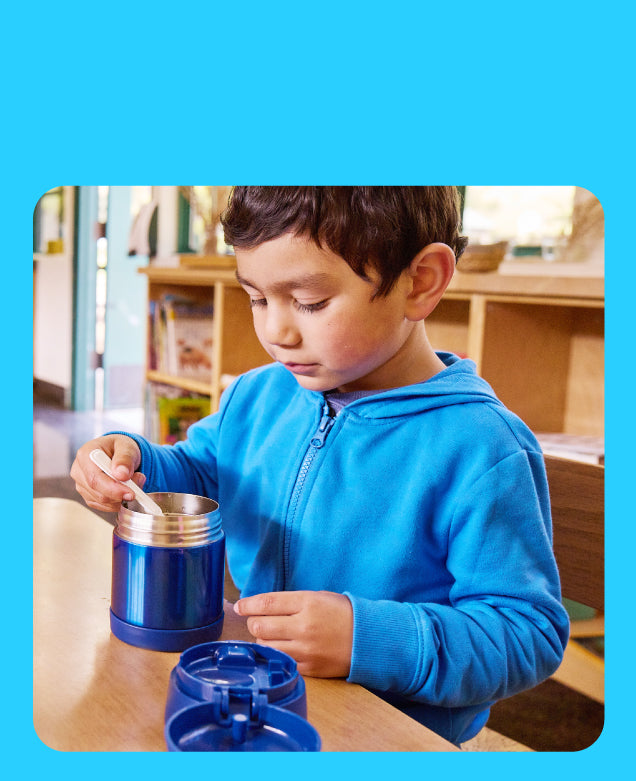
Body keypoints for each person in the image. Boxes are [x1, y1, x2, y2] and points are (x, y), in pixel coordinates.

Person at [71, 186, 569, 746]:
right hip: (257, 701)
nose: (277, 334)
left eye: (308, 302)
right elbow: (202, 472)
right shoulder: (259, 395)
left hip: (392, 736)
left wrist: (366, 639)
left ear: (421, 281)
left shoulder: (481, 447)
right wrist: (133, 462)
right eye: (257, 298)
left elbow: (528, 633)